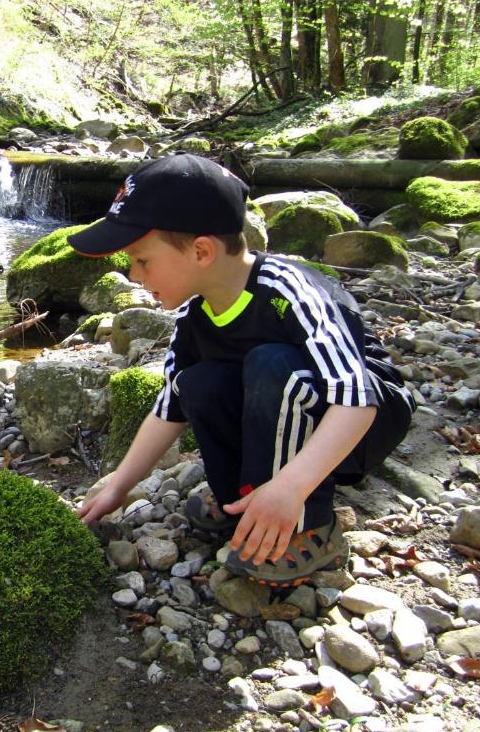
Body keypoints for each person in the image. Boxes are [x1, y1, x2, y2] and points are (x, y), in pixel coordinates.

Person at [69, 153, 415, 588]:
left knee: (274, 365)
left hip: (361, 423)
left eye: (141, 261)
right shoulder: (195, 318)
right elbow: (169, 408)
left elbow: (357, 399)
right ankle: (245, 501)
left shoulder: (287, 292)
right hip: (298, 412)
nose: (134, 276)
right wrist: (120, 485)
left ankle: (310, 527)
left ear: (201, 251)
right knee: (199, 381)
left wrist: (291, 487)